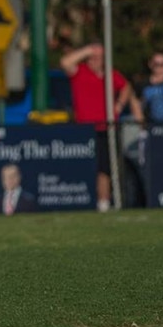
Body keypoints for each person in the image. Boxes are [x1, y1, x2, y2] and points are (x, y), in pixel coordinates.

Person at [60, 42, 135, 212]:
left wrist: (119, 104)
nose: (95, 61)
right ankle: (82, 200)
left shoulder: (111, 75)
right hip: (85, 129)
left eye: (99, 57)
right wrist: (87, 50)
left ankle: (104, 203)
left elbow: (126, 87)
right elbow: (65, 62)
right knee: (86, 166)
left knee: (105, 168)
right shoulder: (80, 72)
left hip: (106, 127)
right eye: (92, 58)